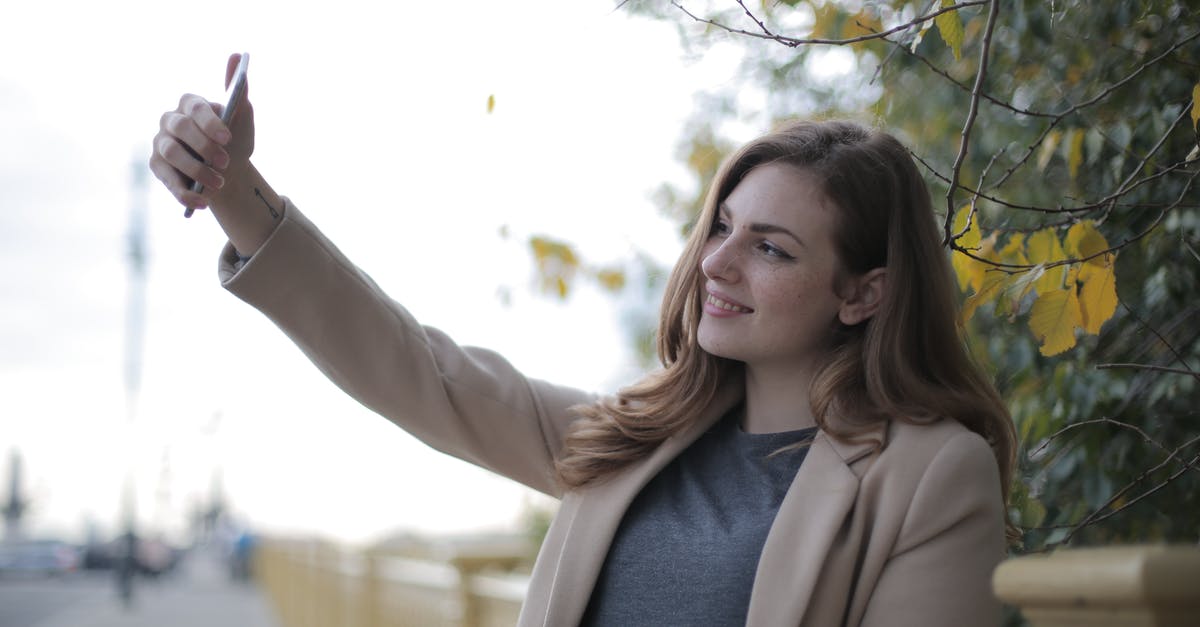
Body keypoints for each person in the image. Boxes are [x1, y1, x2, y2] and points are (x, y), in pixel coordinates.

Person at [149, 53, 1017, 627]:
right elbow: (417, 370)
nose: (717, 262)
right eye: (722, 226)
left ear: (864, 293)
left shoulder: (930, 474)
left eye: (771, 248)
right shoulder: (631, 436)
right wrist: (238, 193)